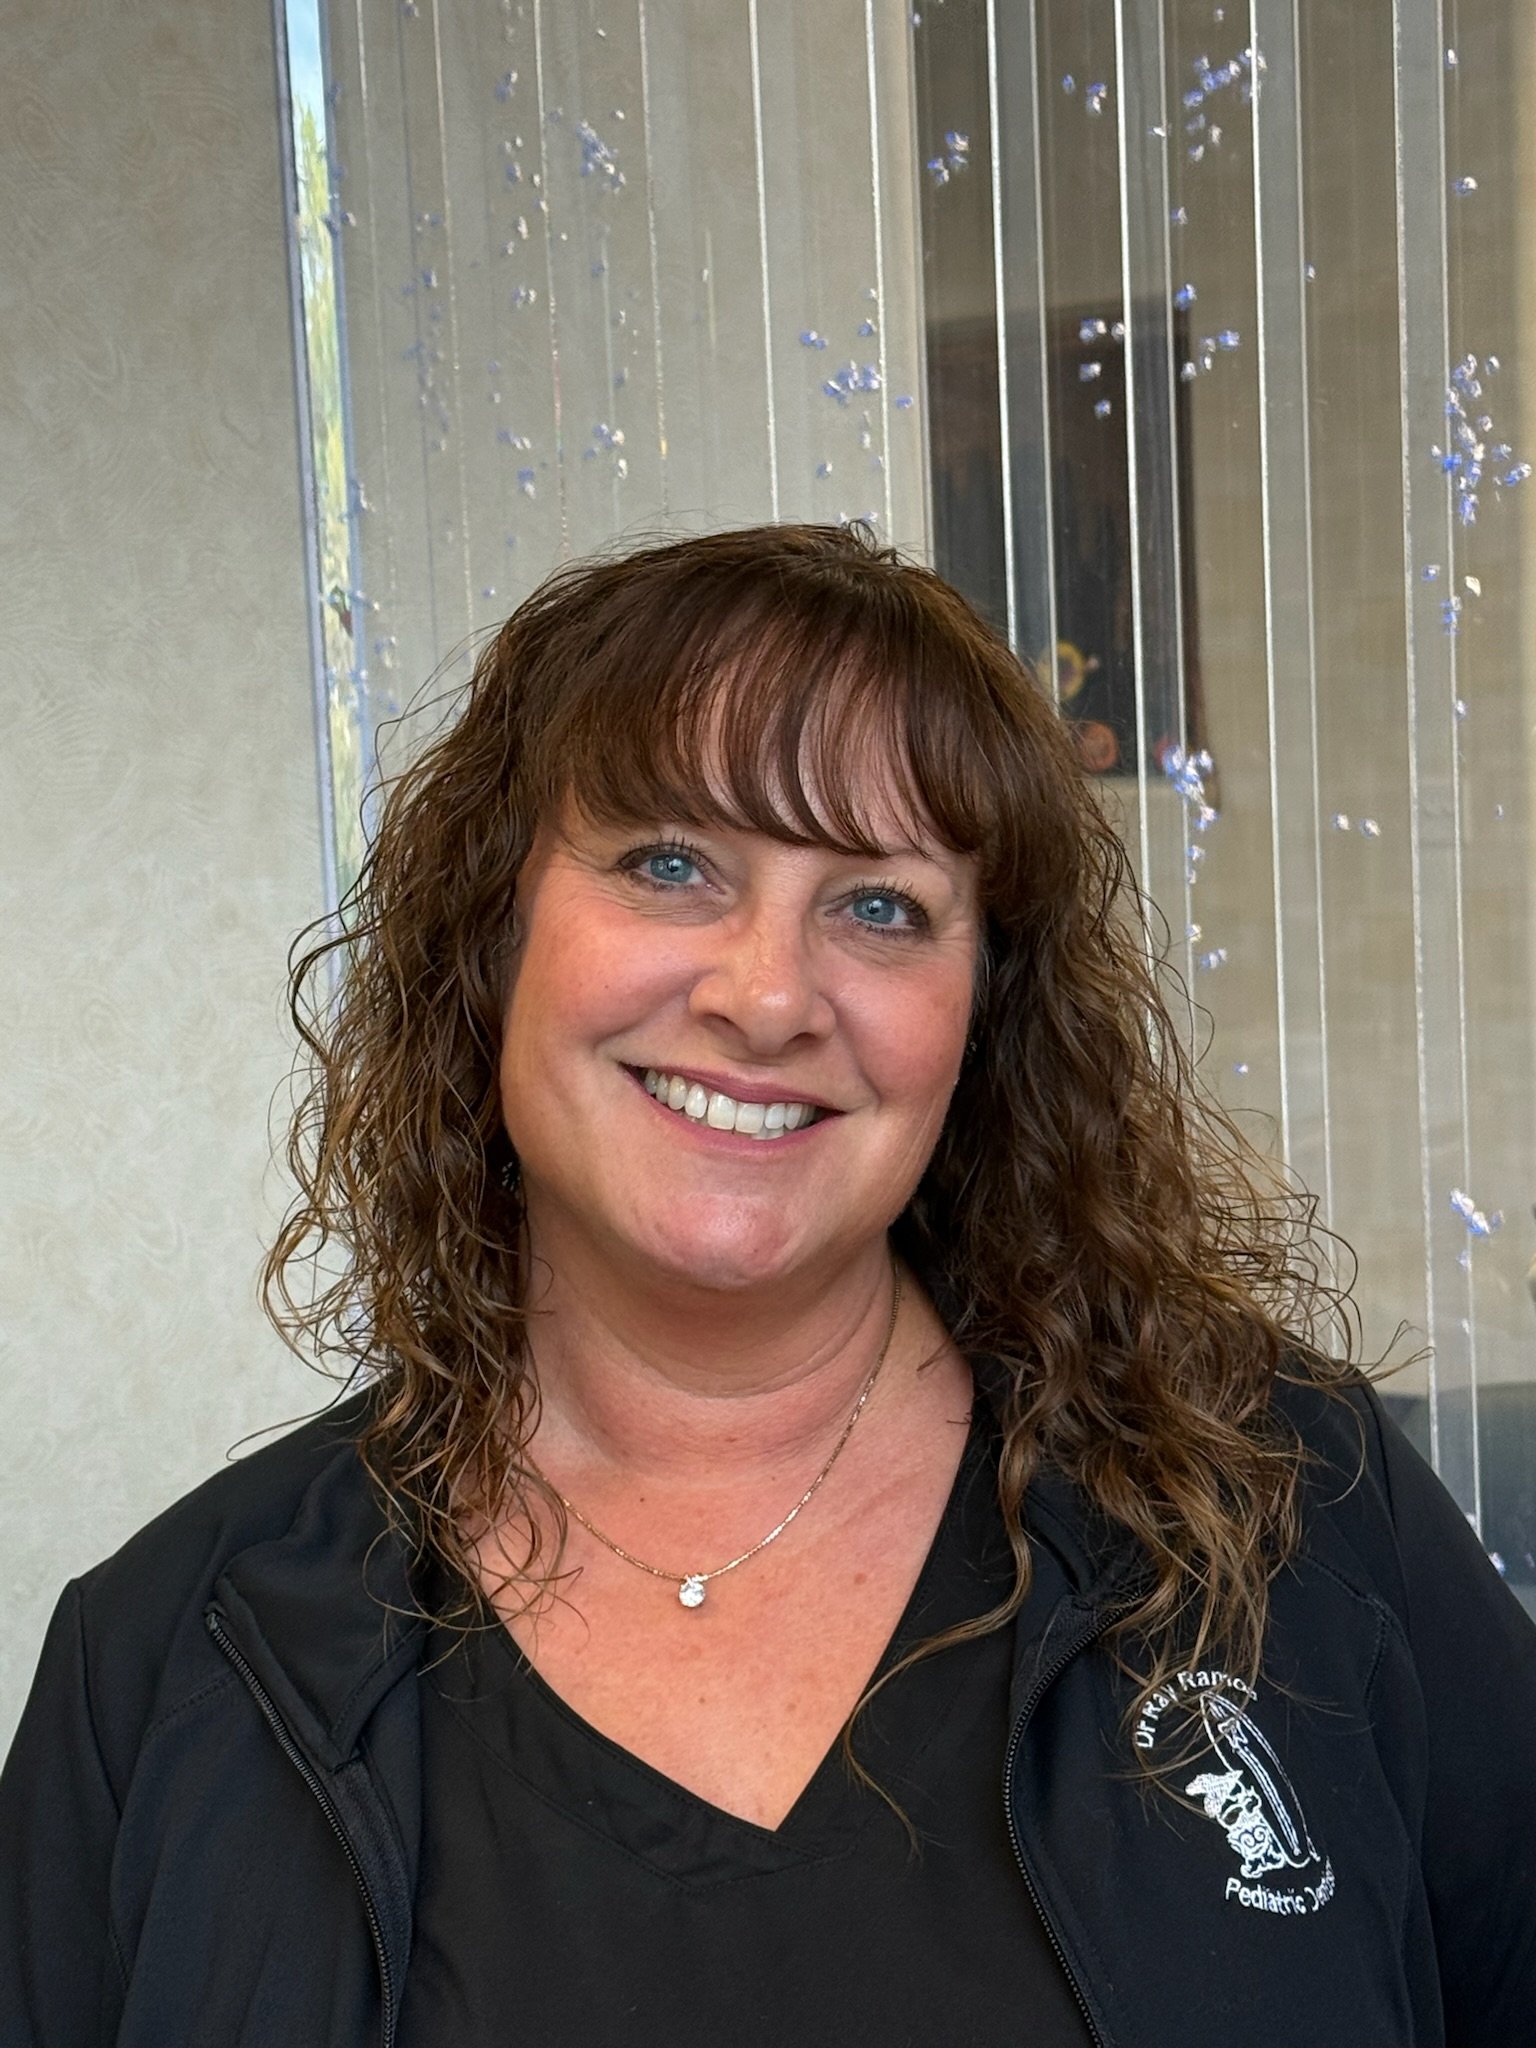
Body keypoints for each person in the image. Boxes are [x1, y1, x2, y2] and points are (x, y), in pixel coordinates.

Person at [3, 522, 1534, 2048]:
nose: (767, 995)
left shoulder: (1295, 1513)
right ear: (493, 936)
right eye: (671, 864)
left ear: (982, 1019)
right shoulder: (162, 1671)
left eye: (880, 906)